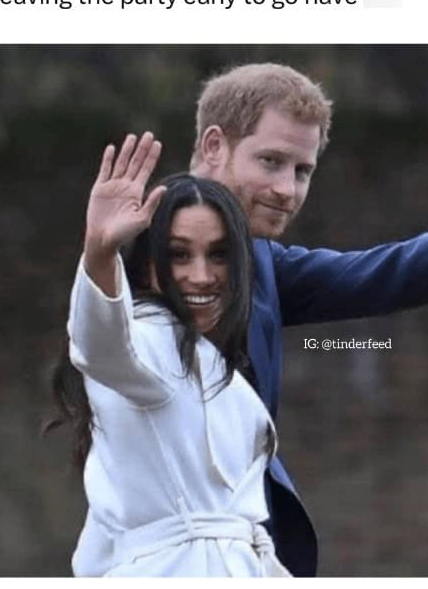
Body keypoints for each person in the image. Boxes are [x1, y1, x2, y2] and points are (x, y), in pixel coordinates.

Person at [71, 63, 428, 577]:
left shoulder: (264, 265)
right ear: (214, 145)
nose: (287, 190)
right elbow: (101, 342)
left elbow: (372, 276)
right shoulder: (127, 270)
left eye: (302, 171)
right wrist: (99, 254)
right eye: (270, 161)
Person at [56, 134, 291, 576]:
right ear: (147, 264)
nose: (201, 276)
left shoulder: (219, 367)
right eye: (179, 255)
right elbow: (101, 345)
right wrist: (99, 252)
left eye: (219, 255)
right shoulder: (149, 342)